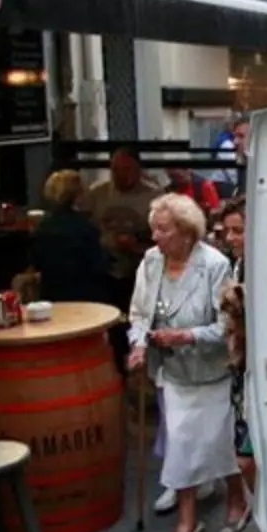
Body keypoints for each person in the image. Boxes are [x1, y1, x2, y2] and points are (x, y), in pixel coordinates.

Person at [127, 193, 249, 532]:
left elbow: (227, 325)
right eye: (153, 229)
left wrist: (184, 336)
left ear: (185, 231)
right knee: (180, 446)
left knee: (221, 443)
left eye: (162, 230)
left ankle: (237, 500)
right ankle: (187, 521)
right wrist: (138, 345)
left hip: (213, 371)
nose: (155, 237)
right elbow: (139, 314)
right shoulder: (151, 262)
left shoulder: (214, 265)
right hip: (175, 372)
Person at [81, 148, 162, 374]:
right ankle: (115, 369)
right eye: (115, 170)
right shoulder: (97, 194)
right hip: (104, 273)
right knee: (112, 325)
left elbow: (164, 241)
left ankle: (143, 369)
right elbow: (84, 231)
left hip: (140, 272)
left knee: (138, 323)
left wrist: (135, 245)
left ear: (138, 170)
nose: (120, 175)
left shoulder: (154, 197)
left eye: (126, 169)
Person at [216, 198, 263, 532]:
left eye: (238, 230)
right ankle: (262, 519)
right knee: (245, 460)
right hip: (242, 374)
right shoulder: (239, 264)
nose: (231, 238)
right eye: (228, 231)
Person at [30, 170, 111, 304]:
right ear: (77, 195)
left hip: (51, 296)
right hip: (86, 298)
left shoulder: (42, 227)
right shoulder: (85, 227)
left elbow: (36, 263)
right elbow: (99, 265)